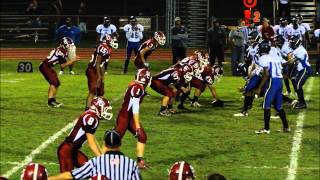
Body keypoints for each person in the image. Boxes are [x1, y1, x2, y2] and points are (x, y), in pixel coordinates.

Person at [49, 129, 141, 180]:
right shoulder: (131, 164)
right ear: (120, 144)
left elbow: (71, 176)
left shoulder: (96, 162)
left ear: (105, 144)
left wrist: (47, 178)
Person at [57, 97, 113, 172]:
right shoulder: (91, 118)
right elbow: (90, 143)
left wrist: (101, 154)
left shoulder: (91, 115)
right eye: (105, 109)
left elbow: (92, 138)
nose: (106, 111)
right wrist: (101, 158)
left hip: (73, 150)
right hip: (67, 150)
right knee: (67, 177)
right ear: (99, 108)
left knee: (90, 169)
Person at [114, 68, 151, 169]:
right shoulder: (138, 88)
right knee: (114, 140)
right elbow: (135, 108)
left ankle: (140, 162)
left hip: (129, 118)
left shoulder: (137, 86)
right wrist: (137, 126)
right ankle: (102, 159)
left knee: (142, 136)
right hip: (124, 117)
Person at [255, 40, 290, 134]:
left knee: (266, 105)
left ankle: (266, 129)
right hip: (279, 81)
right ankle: (286, 127)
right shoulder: (274, 57)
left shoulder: (263, 58)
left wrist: (259, 88)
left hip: (273, 82)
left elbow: (266, 74)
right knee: (278, 106)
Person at [39, 37, 78, 107]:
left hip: (47, 66)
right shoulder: (61, 51)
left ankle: (53, 100)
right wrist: (72, 61)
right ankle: (50, 102)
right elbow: (63, 66)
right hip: (45, 66)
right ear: (64, 45)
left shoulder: (62, 50)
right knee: (54, 83)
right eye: (70, 45)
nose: (70, 47)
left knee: (57, 83)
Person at [85, 34, 118, 110]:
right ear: (108, 40)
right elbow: (97, 63)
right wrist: (99, 76)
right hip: (92, 70)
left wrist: (102, 76)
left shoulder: (108, 48)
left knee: (100, 91)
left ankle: (100, 107)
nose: (115, 42)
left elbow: (102, 64)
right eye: (113, 40)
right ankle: (87, 109)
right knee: (93, 90)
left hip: (96, 69)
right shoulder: (103, 48)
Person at [288, 35, 312, 109]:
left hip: (305, 69)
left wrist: (281, 63)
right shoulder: (298, 49)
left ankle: (303, 103)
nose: (290, 44)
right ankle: (300, 100)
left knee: (298, 86)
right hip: (301, 69)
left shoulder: (300, 50)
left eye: (292, 42)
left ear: (296, 43)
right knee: (296, 84)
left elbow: (291, 61)